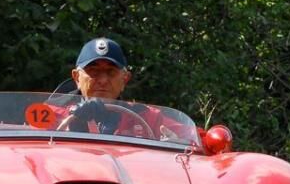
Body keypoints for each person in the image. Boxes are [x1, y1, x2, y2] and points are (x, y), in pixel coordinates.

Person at [57, 37, 194, 141]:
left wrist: (178, 143)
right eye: (93, 71)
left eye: (111, 72)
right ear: (76, 78)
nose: (103, 80)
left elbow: (200, 138)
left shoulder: (147, 117)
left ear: (125, 79)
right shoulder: (52, 114)